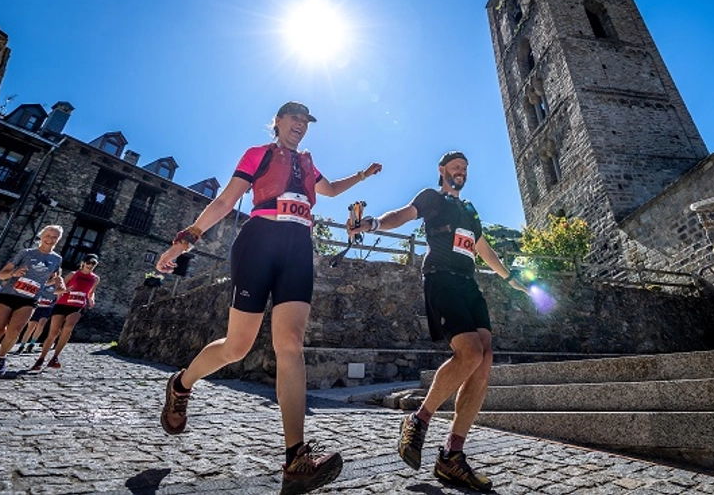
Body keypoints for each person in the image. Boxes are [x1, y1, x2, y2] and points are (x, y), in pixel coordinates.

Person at [154, 101, 381, 493]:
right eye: (293, 118)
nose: (300, 126)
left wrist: (361, 175)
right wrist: (184, 241)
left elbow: (328, 190)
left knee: (290, 345)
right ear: (277, 122)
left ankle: (296, 459)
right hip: (259, 242)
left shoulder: (309, 164)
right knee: (237, 346)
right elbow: (225, 201)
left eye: (305, 121)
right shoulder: (258, 154)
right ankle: (181, 385)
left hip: (298, 248)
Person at [352, 151, 528, 492]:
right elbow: (401, 215)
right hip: (440, 278)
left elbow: (482, 248)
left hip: (468, 284)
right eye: (455, 166)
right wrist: (372, 223)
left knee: (485, 357)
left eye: (465, 167)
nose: (461, 171)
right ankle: (418, 420)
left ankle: (452, 455)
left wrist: (509, 279)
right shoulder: (432, 198)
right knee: (470, 351)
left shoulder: (470, 210)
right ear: (442, 170)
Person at [0, 224, 66, 380]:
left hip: (29, 299)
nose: (50, 239)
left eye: (54, 237)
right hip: (8, 295)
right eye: (48, 235)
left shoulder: (57, 259)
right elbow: (0, 275)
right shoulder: (25, 253)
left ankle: (1, 357)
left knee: (14, 332)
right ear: (41, 236)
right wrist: (14, 273)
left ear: (58, 240)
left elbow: (48, 282)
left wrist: (56, 282)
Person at [30, 254, 100, 371]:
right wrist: (65, 290)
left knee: (68, 328)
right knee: (53, 333)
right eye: (89, 262)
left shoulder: (95, 278)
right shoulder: (73, 274)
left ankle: (55, 357)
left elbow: (91, 292)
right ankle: (41, 358)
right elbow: (58, 290)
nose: (91, 265)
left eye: (94, 264)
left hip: (78, 305)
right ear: (83, 262)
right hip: (62, 304)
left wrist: (92, 298)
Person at [14, 271, 61, 354]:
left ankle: (31, 344)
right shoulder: (42, 280)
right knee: (31, 326)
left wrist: (54, 306)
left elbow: (58, 297)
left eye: (55, 272)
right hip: (37, 306)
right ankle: (22, 345)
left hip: (47, 308)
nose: (53, 274)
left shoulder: (57, 284)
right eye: (52, 272)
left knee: (41, 325)